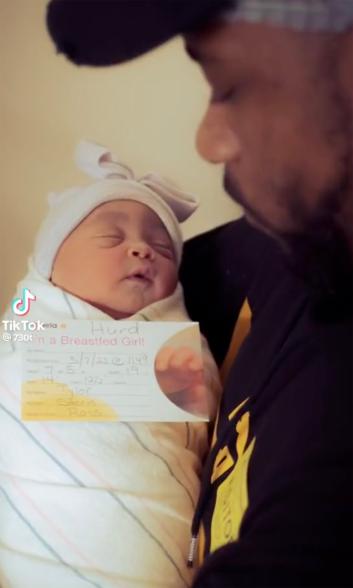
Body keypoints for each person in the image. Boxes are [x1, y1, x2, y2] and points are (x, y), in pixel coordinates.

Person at [45, 2, 353, 586]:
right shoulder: (286, 247)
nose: (208, 142)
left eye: (228, 84)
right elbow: (38, 349)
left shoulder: (323, 493)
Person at [0, 140, 221, 588]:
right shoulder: (24, 321)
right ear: (50, 265)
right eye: (110, 238)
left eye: (162, 246)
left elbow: (201, 418)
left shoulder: (185, 355)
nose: (143, 249)